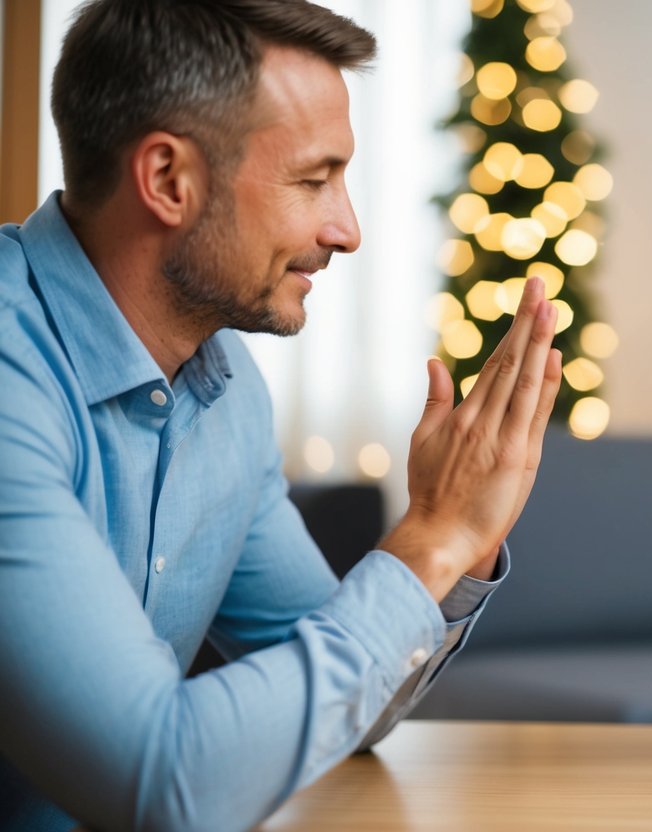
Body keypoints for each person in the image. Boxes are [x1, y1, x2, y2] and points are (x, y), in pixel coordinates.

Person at [0, 1, 562, 829]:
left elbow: (356, 710)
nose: (348, 229)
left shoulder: (228, 396)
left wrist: (457, 545)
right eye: (312, 179)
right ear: (166, 180)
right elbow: (160, 781)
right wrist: (426, 540)